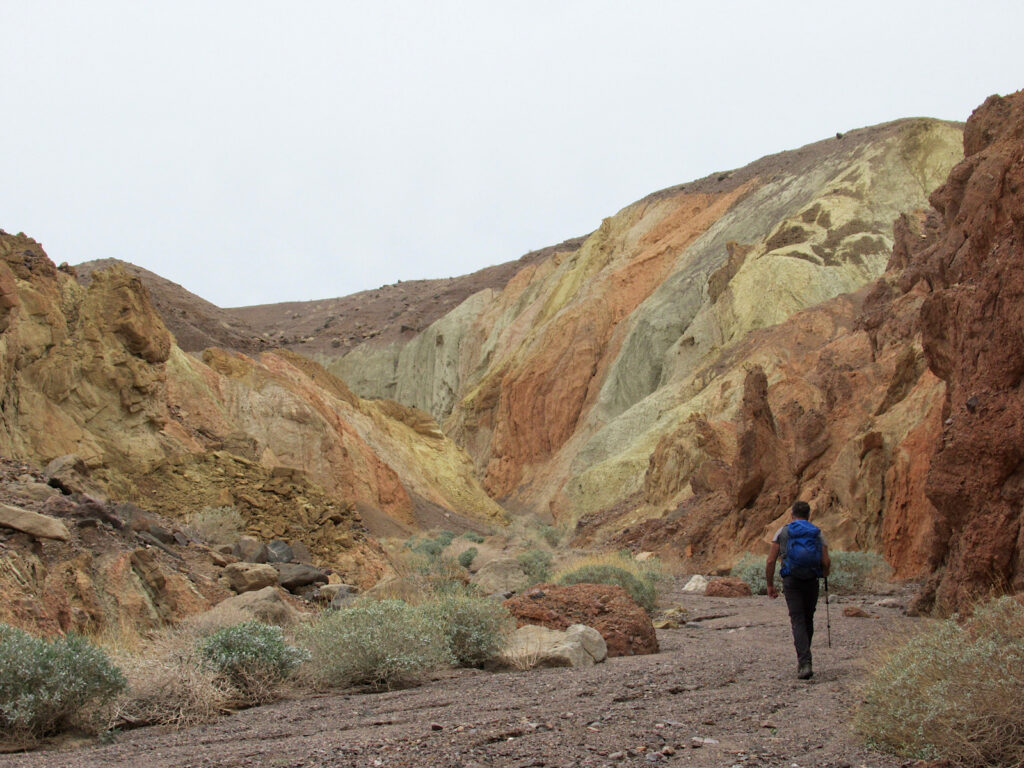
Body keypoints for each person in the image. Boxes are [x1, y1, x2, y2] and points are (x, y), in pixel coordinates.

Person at [765, 500, 830, 679]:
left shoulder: (783, 531)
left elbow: (771, 560)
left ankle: (804, 662)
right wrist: (823, 575)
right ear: (809, 515)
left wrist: (770, 585)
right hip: (811, 579)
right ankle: (805, 658)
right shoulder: (817, 533)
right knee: (808, 619)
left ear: (792, 515)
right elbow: (826, 562)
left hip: (791, 580)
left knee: (797, 620)